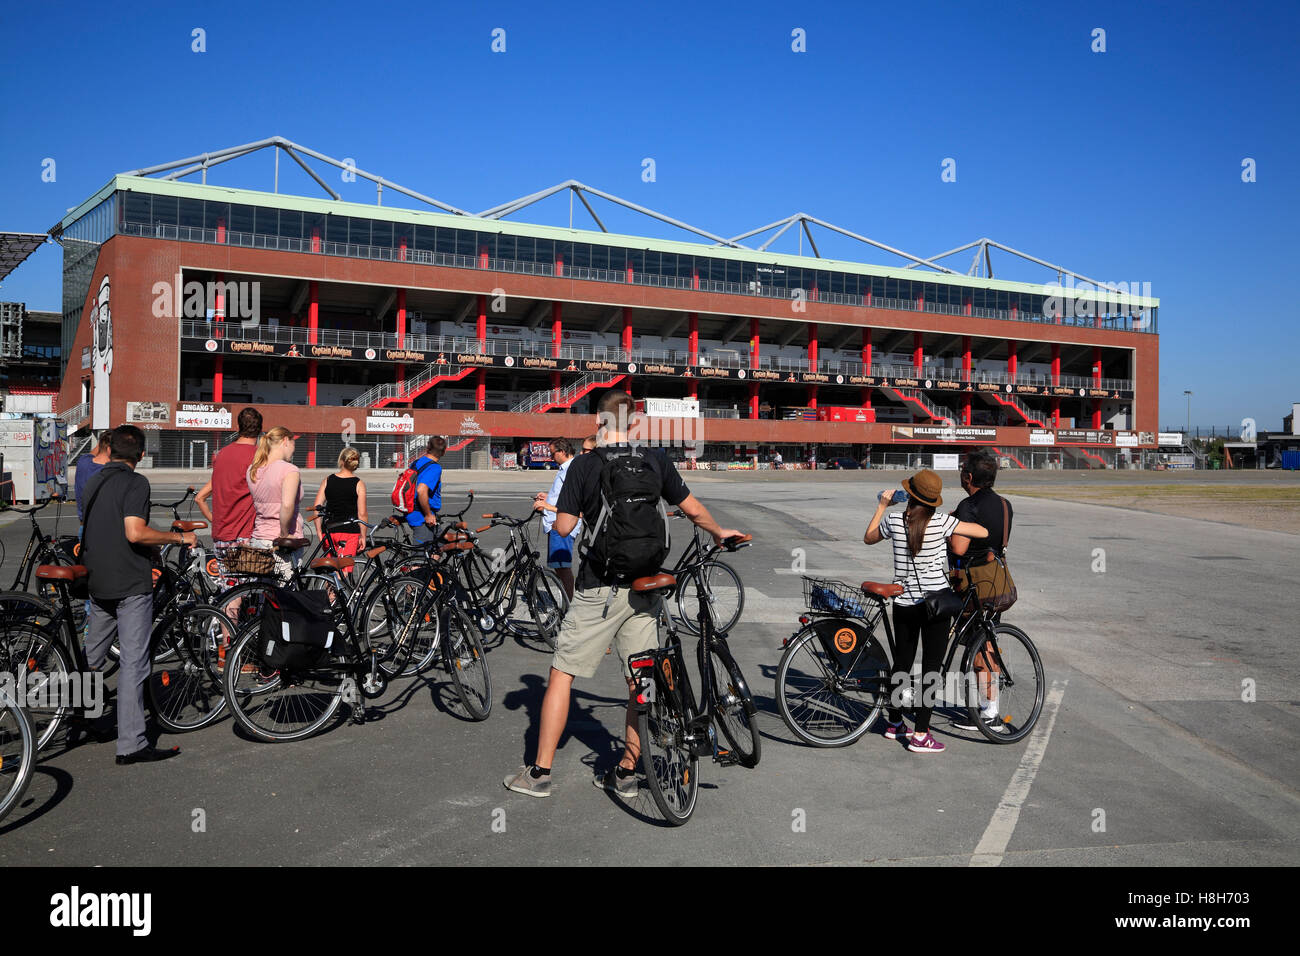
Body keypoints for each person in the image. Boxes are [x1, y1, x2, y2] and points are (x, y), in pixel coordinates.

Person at [504, 390, 742, 799]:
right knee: (640, 680)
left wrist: (569, 510)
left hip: (599, 587)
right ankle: (629, 769)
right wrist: (721, 532)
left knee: (563, 672)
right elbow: (692, 508)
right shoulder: (654, 459)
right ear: (635, 424)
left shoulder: (583, 465)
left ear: (599, 423)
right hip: (646, 586)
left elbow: (562, 529)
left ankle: (540, 773)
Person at [82, 425, 193, 764]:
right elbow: (134, 532)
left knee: (91, 655)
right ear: (141, 455)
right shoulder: (136, 482)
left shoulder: (93, 480)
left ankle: (86, 718)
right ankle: (131, 742)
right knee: (134, 662)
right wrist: (176, 540)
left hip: (96, 578)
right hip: (130, 582)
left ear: (110, 450)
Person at [863, 468, 987, 754]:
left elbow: (868, 537)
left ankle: (894, 723)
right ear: (933, 501)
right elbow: (983, 532)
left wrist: (883, 505)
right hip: (936, 605)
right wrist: (958, 520)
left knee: (902, 663)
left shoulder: (894, 520)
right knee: (932, 668)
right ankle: (921, 733)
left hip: (904, 603)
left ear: (910, 493)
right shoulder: (942, 521)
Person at [947, 448, 1013, 731]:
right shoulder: (1004, 504)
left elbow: (958, 547)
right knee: (987, 642)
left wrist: (951, 526)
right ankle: (991, 708)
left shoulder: (968, 506)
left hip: (972, 586)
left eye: (963, 471)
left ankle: (989, 713)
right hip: (994, 582)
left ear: (969, 476)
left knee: (979, 650)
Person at [196, 407, 262, 574]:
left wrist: (215, 520)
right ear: (260, 429)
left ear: (238, 426)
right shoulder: (259, 456)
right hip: (245, 534)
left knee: (229, 589)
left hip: (221, 534)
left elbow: (200, 498)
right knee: (248, 591)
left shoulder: (222, 454)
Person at [246, 427, 303, 580]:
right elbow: (286, 505)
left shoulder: (252, 469)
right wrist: (284, 534)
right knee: (285, 595)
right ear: (285, 441)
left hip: (259, 538)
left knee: (263, 592)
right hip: (280, 543)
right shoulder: (289, 470)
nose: (294, 449)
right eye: (293, 443)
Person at [532, 437, 581, 598]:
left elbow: (574, 504)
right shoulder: (566, 469)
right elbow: (564, 496)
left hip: (561, 523)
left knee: (562, 567)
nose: (551, 458)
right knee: (559, 566)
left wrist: (547, 506)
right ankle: (566, 600)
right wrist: (548, 497)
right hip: (556, 521)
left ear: (562, 451)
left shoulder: (571, 470)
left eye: (553, 454)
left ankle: (568, 604)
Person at [312, 447, 368, 565]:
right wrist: (363, 536)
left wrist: (319, 531)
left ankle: (327, 584)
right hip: (349, 531)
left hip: (329, 530)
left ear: (341, 461)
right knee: (343, 569)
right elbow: (362, 514)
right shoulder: (358, 483)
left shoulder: (328, 480)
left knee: (330, 568)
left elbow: (317, 508)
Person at [404, 436, 446, 543]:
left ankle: (434, 558)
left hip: (411, 509)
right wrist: (428, 514)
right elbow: (421, 490)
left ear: (428, 447)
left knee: (441, 545)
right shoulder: (434, 468)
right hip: (421, 516)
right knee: (420, 557)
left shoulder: (417, 462)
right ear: (444, 452)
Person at [74, 430, 113, 523]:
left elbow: (93, 453)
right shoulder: (109, 472)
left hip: (84, 522)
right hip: (103, 524)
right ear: (110, 449)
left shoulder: (83, 461)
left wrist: (103, 440)